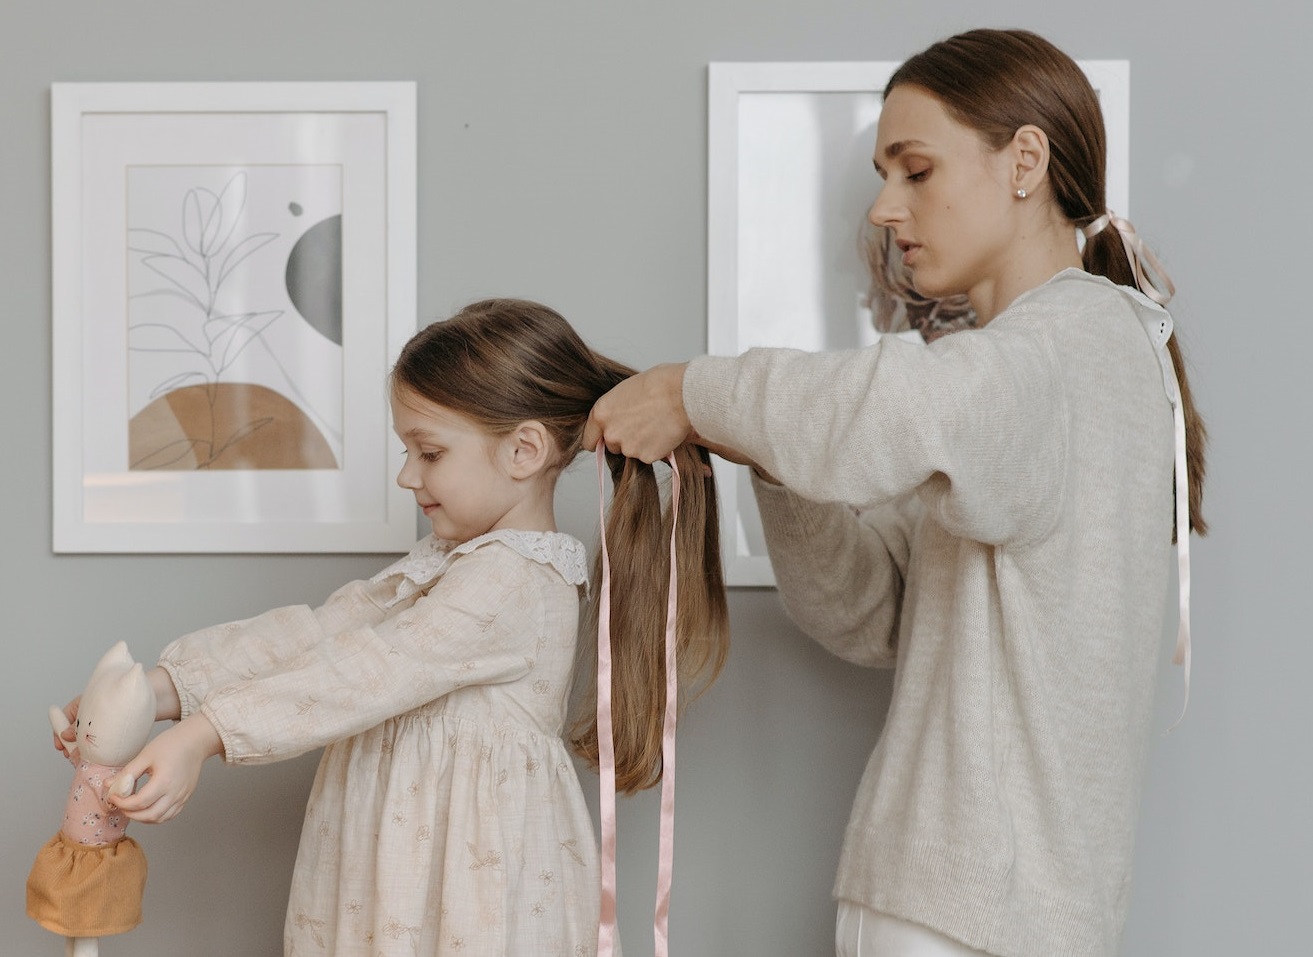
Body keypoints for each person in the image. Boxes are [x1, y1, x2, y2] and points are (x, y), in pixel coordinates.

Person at [583, 28, 1207, 957]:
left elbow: (891, 409)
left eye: (914, 171)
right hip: (970, 901)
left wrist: (691, 391)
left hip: (972, 908)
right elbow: (870, 613)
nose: (883, 207)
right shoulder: (1033, 371)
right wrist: (762, 448)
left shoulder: (1069, 346)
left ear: (1023, 161)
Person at [57, 299, 729, 956]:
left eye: (427, 451)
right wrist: (157, 690)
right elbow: (322, 633)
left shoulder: (515, 583)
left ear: (523, 449)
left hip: (469, 883)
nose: (408, 476)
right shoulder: (443, 562)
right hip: (395, 871)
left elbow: (371, 669)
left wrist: (207, 734)